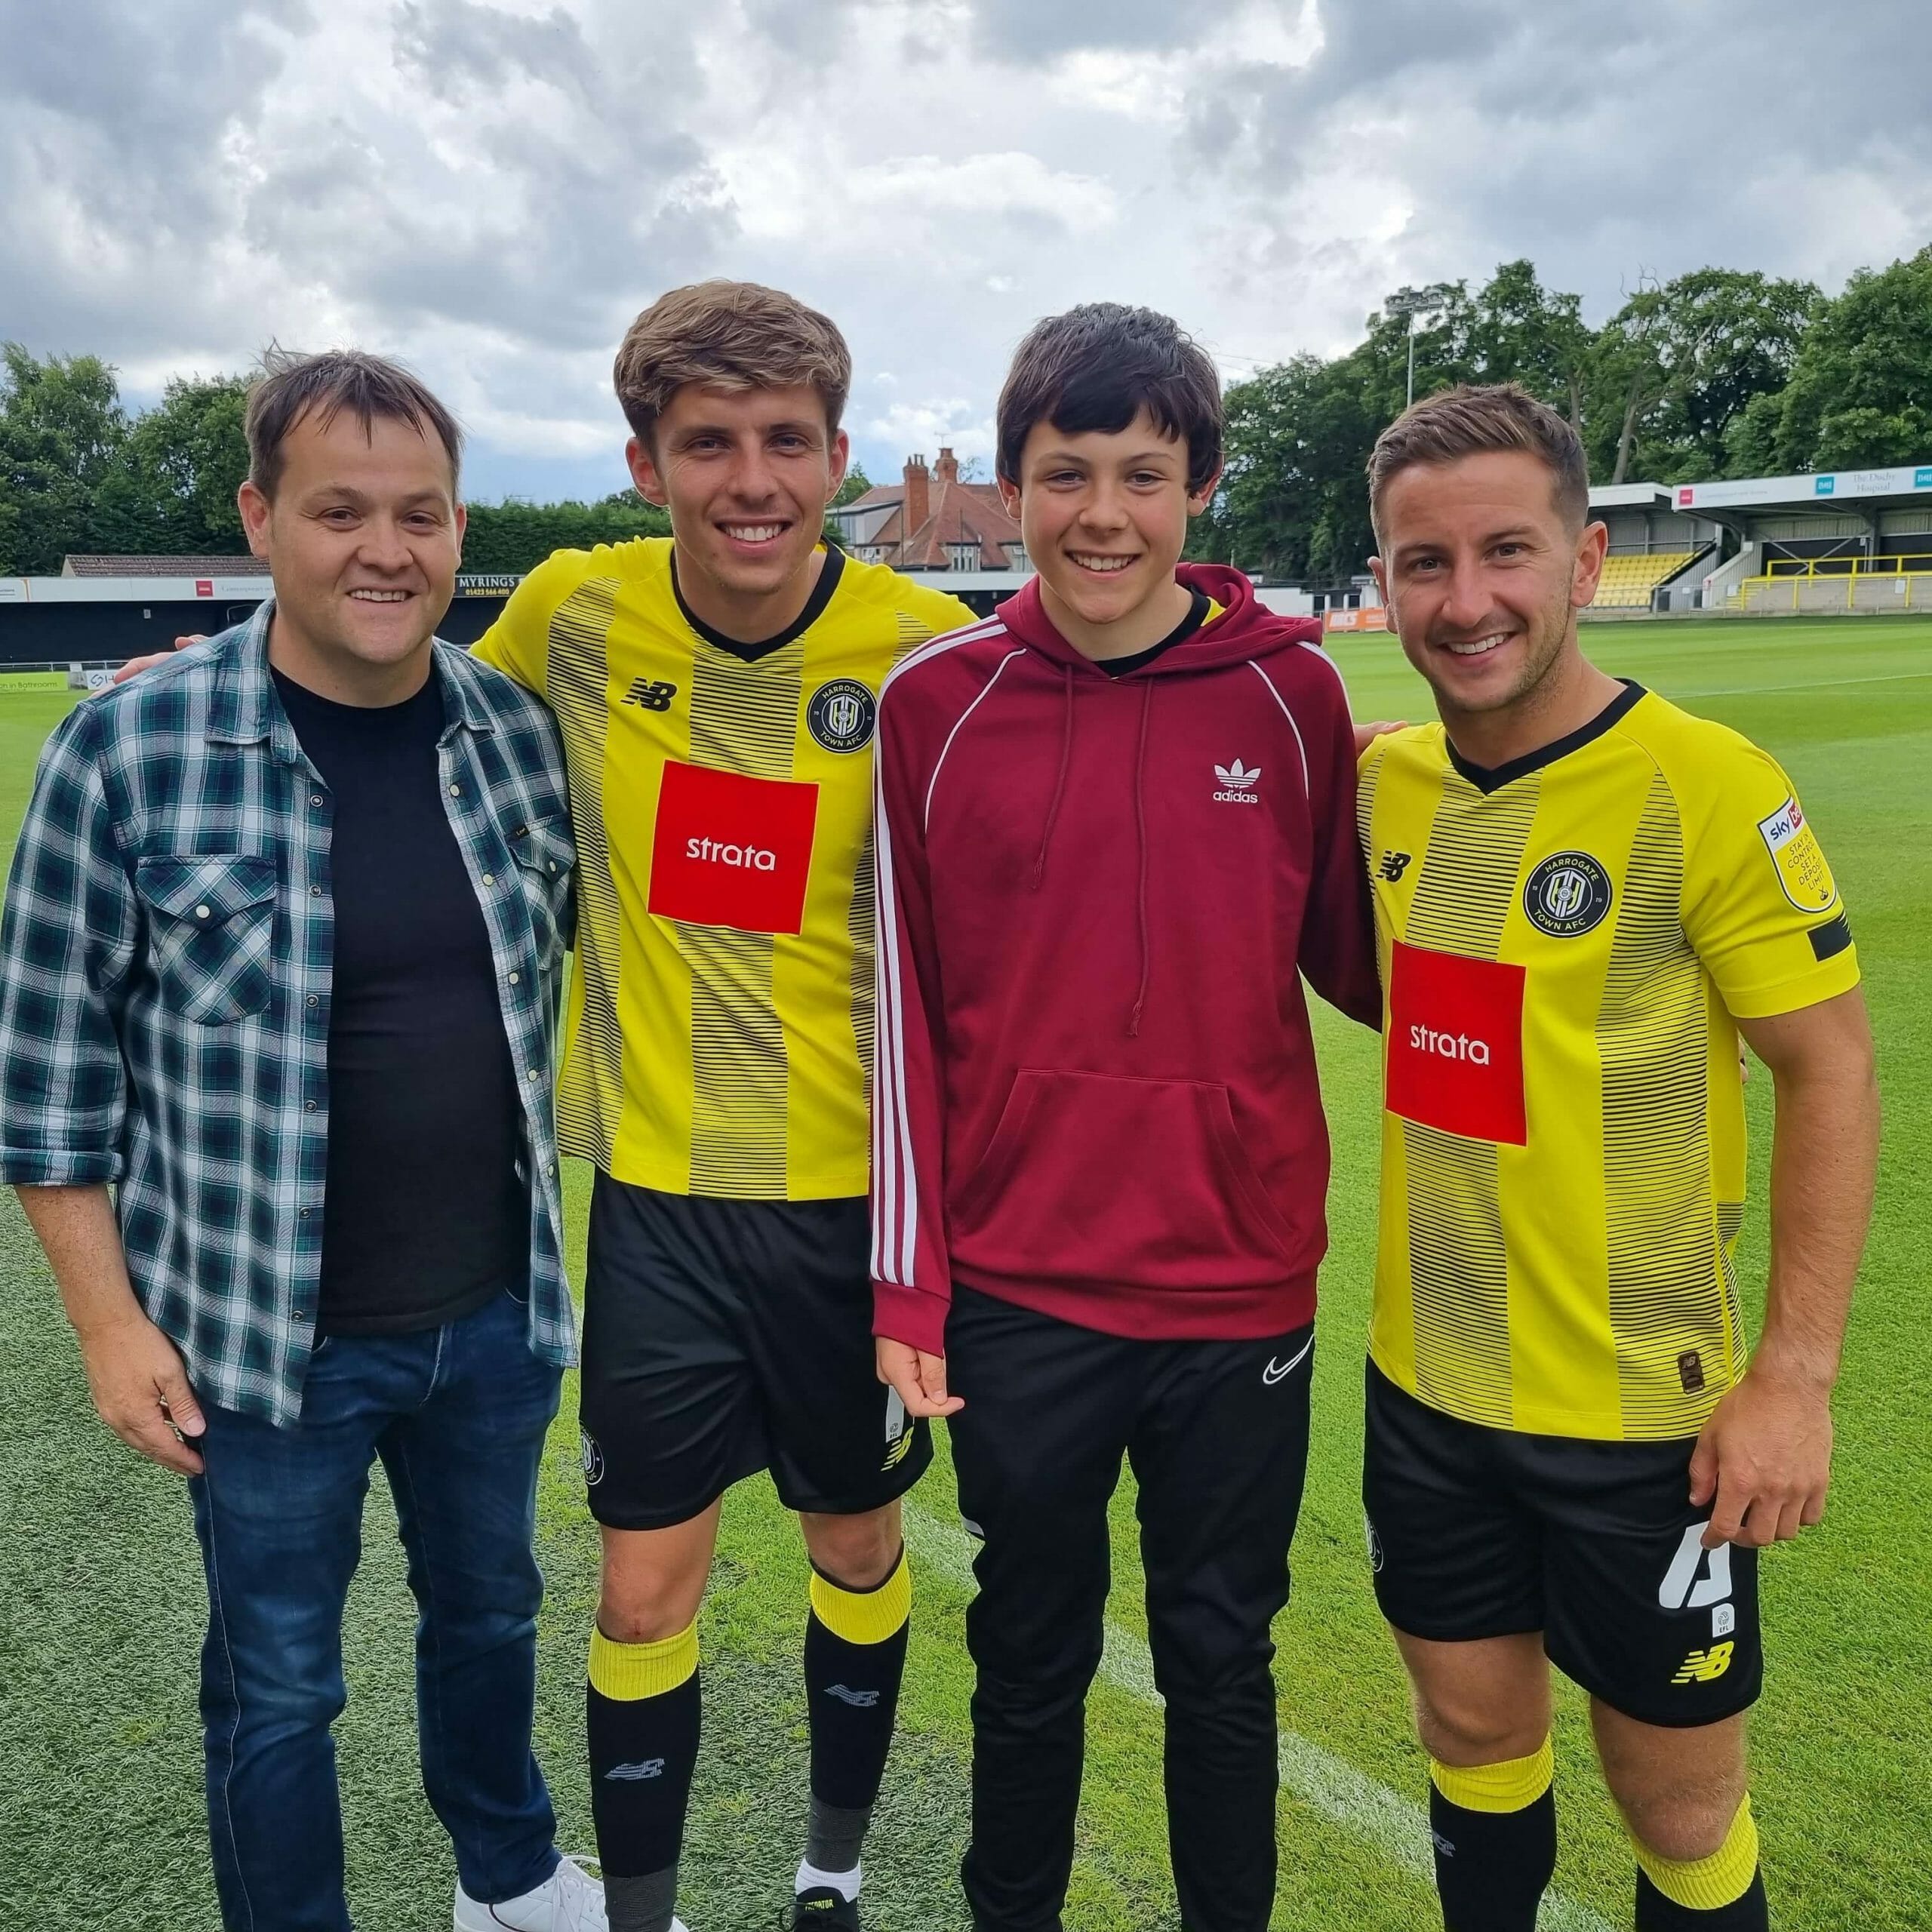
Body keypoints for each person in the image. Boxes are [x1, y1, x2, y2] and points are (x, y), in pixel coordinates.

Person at [0, 349, 605, 1932]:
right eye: (340, 510)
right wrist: (106, 1321)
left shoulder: (512, 732)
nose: (384, 550)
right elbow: (46, 1070)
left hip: (493, 1315)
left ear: (459, 527)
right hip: (263, 1349)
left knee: (490, 1611)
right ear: (263, 519)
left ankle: (508, 1869)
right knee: (277, 1683)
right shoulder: (127, 749)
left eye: (417, 513)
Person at [469, 281, 975, 1932]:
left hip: (851, 1210)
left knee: (851, 1547)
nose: (749, 479)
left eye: (783, 442)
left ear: (839, 456)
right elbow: (420, 713)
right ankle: (643, 1913)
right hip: (663, 1208)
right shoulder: (569, 612)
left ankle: (828, 1871)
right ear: (642, 462)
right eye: (707, 444)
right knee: (639, 1580)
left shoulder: (918, 648)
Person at [871, 302, 1382, 1932]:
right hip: (1020, 1287)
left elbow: (1363, 964)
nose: (1104, 511)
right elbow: (902, 1019)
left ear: (1201, 487)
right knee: (1025, 1653)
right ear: (1008, 489)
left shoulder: (1295, 697)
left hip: (1237, 1283)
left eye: (1144, 474)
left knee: (1222, 1655)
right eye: (1065, 471)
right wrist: (908, 1287)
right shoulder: (931, 705)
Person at [1357, 383, 1880, 1932]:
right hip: (1425, 1389)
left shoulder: (1703, 786)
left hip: (1642, 1423)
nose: (1465, 601)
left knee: (1677, 1804)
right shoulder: (1384, 785)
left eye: (1504, 550)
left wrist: (1791, 1373)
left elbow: (1826, 1063)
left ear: (1584, 559)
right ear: (1381, 580)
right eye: (1421, 563)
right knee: (1468, 1738)